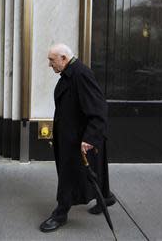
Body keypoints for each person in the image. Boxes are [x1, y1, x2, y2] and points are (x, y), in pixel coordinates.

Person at [39, 43, 116, 233]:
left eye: (52, 60)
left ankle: (60, 213)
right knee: (89, 172)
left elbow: (99, 109)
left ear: (64, 59)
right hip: (70, 135)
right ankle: (105, 196)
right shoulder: (70, 73)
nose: (50, 65)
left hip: (78, 138)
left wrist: (90, 138)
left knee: (68, 176)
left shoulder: (81, 74)